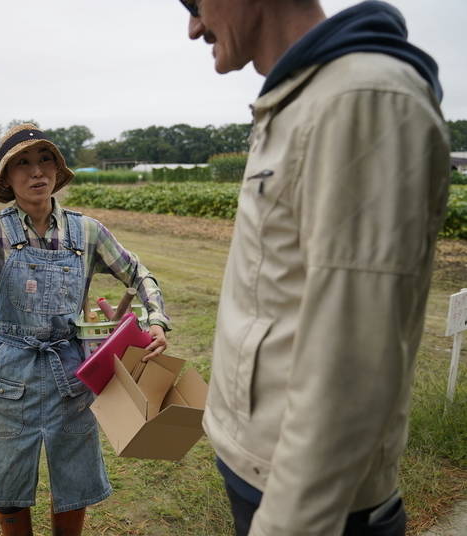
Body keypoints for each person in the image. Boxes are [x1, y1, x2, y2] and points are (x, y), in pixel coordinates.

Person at [176, 0, 451, 535]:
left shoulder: (362, 99)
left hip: (306, 501)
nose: (193, 27)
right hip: (259, 467)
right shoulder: (305, 97)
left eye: (194, 2)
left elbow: (352, 365)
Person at [0, 123, 170, 536]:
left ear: (57, 171)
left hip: (71, 375)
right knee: (6, 483)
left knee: (73, 481)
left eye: (45, 161)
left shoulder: (86, 231)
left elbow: (137, 273)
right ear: (6, 178)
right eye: (22, 163)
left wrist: (156, 321)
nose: (36, 171)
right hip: (10, 376)